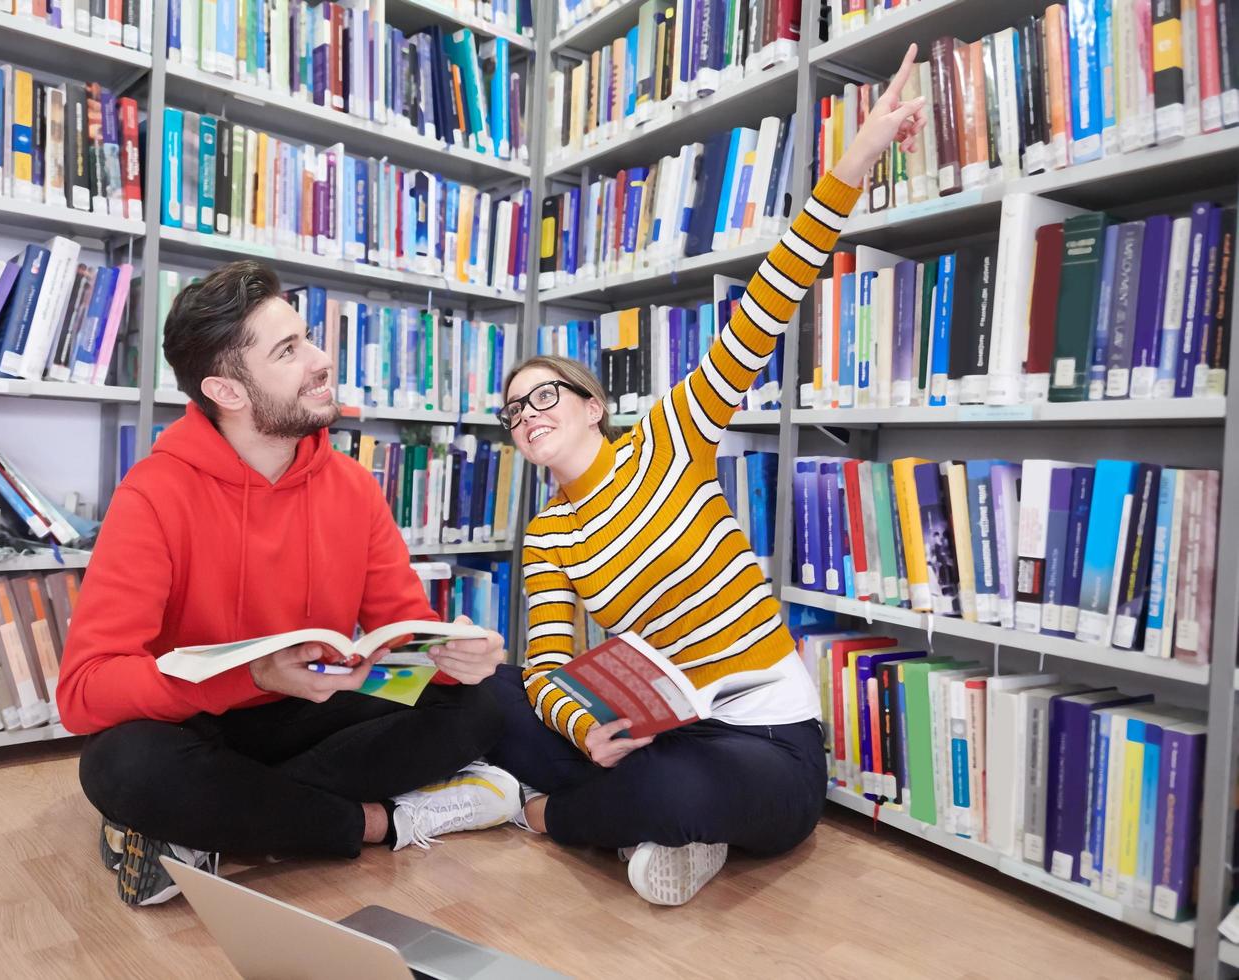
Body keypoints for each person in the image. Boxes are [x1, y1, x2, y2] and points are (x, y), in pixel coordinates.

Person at [481, 45, 929, 906]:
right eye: (512, 412)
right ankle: (633, 824)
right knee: (490, 699)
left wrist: (854, 162)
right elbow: (544, 666)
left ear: (591, 403)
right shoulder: (547, 535)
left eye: (543, 395)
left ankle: (552, 818)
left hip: (762, 739)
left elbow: (768, 301)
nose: (527, 414)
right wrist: (587, 725)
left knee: (678, 793)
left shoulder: (670, 436)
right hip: (658, 731)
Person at [56, 260, 520, 907]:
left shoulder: (353, 487)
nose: (321, 359)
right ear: (229, 392)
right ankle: (380, 822)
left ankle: (208, 829)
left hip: (315, 706)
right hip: (199, 723)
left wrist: (453, 658)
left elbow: (404, 642)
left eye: (308, 338)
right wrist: (247, 676)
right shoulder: (153, 495)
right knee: (122, 765)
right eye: (289, 350)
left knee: (487, 700)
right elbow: (83, 693)